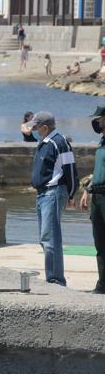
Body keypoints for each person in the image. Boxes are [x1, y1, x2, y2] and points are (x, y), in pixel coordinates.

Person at [27, 111, 79, 286]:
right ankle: (53, 277)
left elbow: (70, 169)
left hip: (53, 193)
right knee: (45, 239)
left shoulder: (59, 142)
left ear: (45, 127)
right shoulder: (45, 142)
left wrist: (71, 194)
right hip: (43, 194)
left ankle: (56, 280)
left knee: (50, 239)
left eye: (35, 127)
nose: (33, 129)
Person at [80, 106, 105, 294]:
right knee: (100, 241)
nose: (96, 123)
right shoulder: (101, 142)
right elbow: (99, 173)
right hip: (97, 196)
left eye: (99, 119)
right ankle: (102, 284)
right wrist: (87, 189)